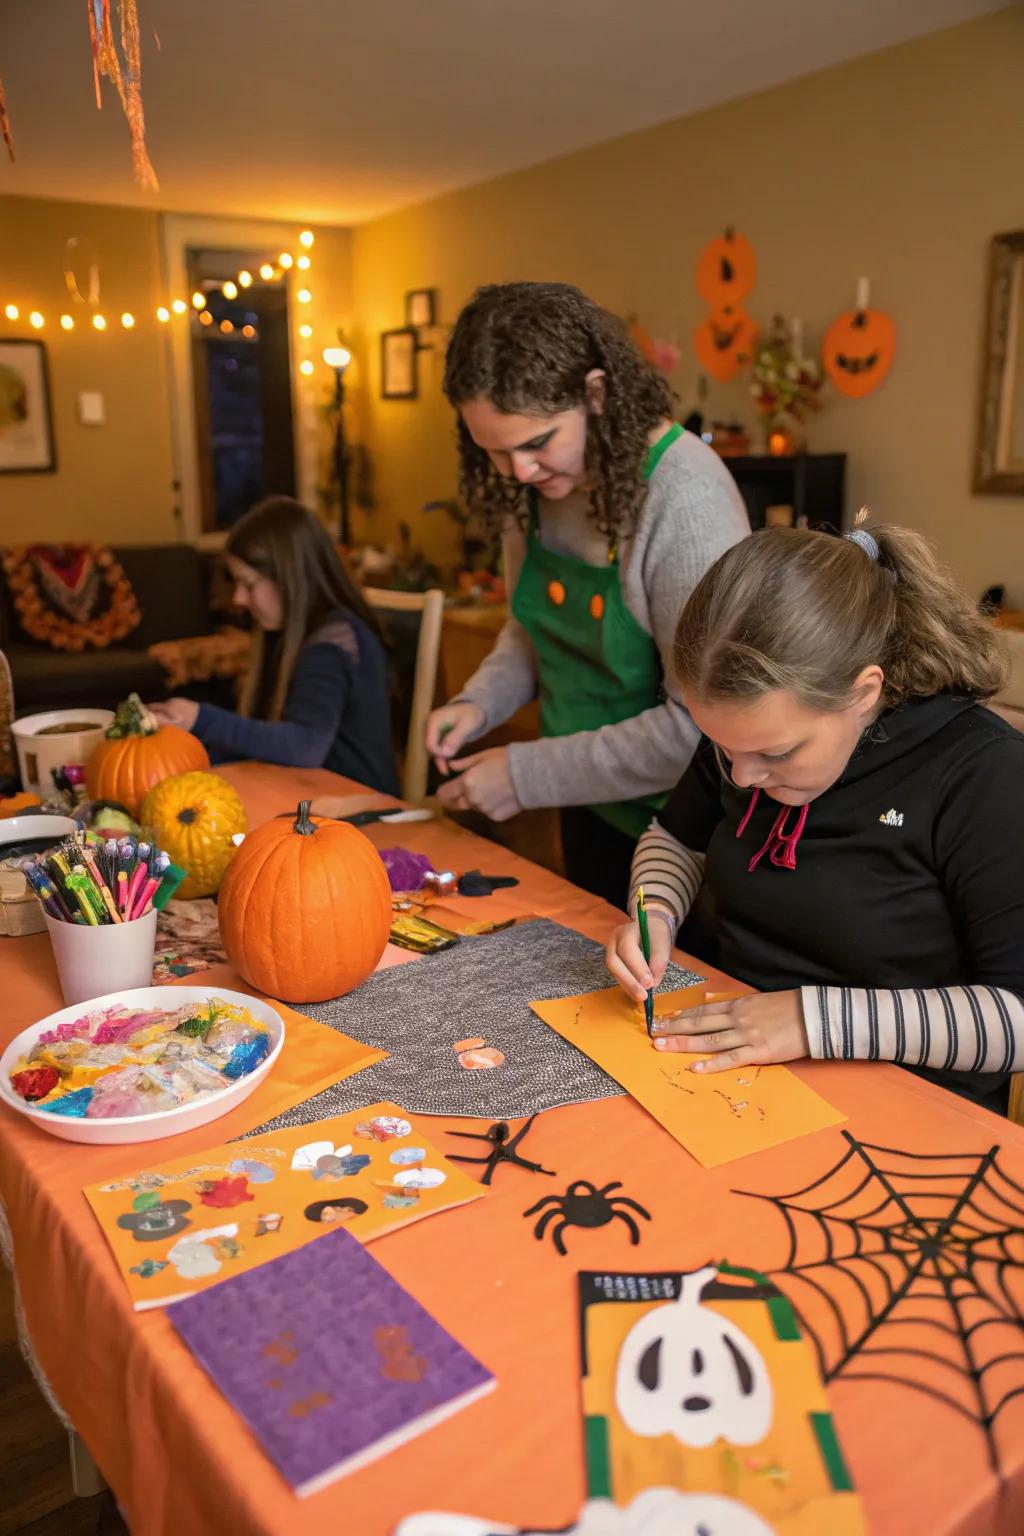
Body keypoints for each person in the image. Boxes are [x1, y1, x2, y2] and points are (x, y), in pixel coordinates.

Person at [605, 523, 1024, 1113]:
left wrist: (812, 1021)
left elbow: (1016, 1020)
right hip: (739, 1072)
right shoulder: (747, 737)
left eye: (776, 755)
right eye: (724, 749)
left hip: (908, 1108)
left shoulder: (983, 775)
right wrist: (655, 914)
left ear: (863, 692)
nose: (743, 777)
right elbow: (674, 839)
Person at [425, 282, 748, 906]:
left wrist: (524, 775)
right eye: (494, 451)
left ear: (596, 394)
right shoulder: (532, 487)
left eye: (537, 443)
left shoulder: (686, 497)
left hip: (680, 833)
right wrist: (478, 705)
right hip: (586, 800)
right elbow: (533, 626)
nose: (518, 472)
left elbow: (702, 727)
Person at [151, 498, 397, 793]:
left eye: (249, 584)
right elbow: (266, 742)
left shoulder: (332, 642)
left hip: (360, 809)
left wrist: (201, 719)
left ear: (289, 577)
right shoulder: (286, 632)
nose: (239, 599)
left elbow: (304, 745)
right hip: (306, 793)